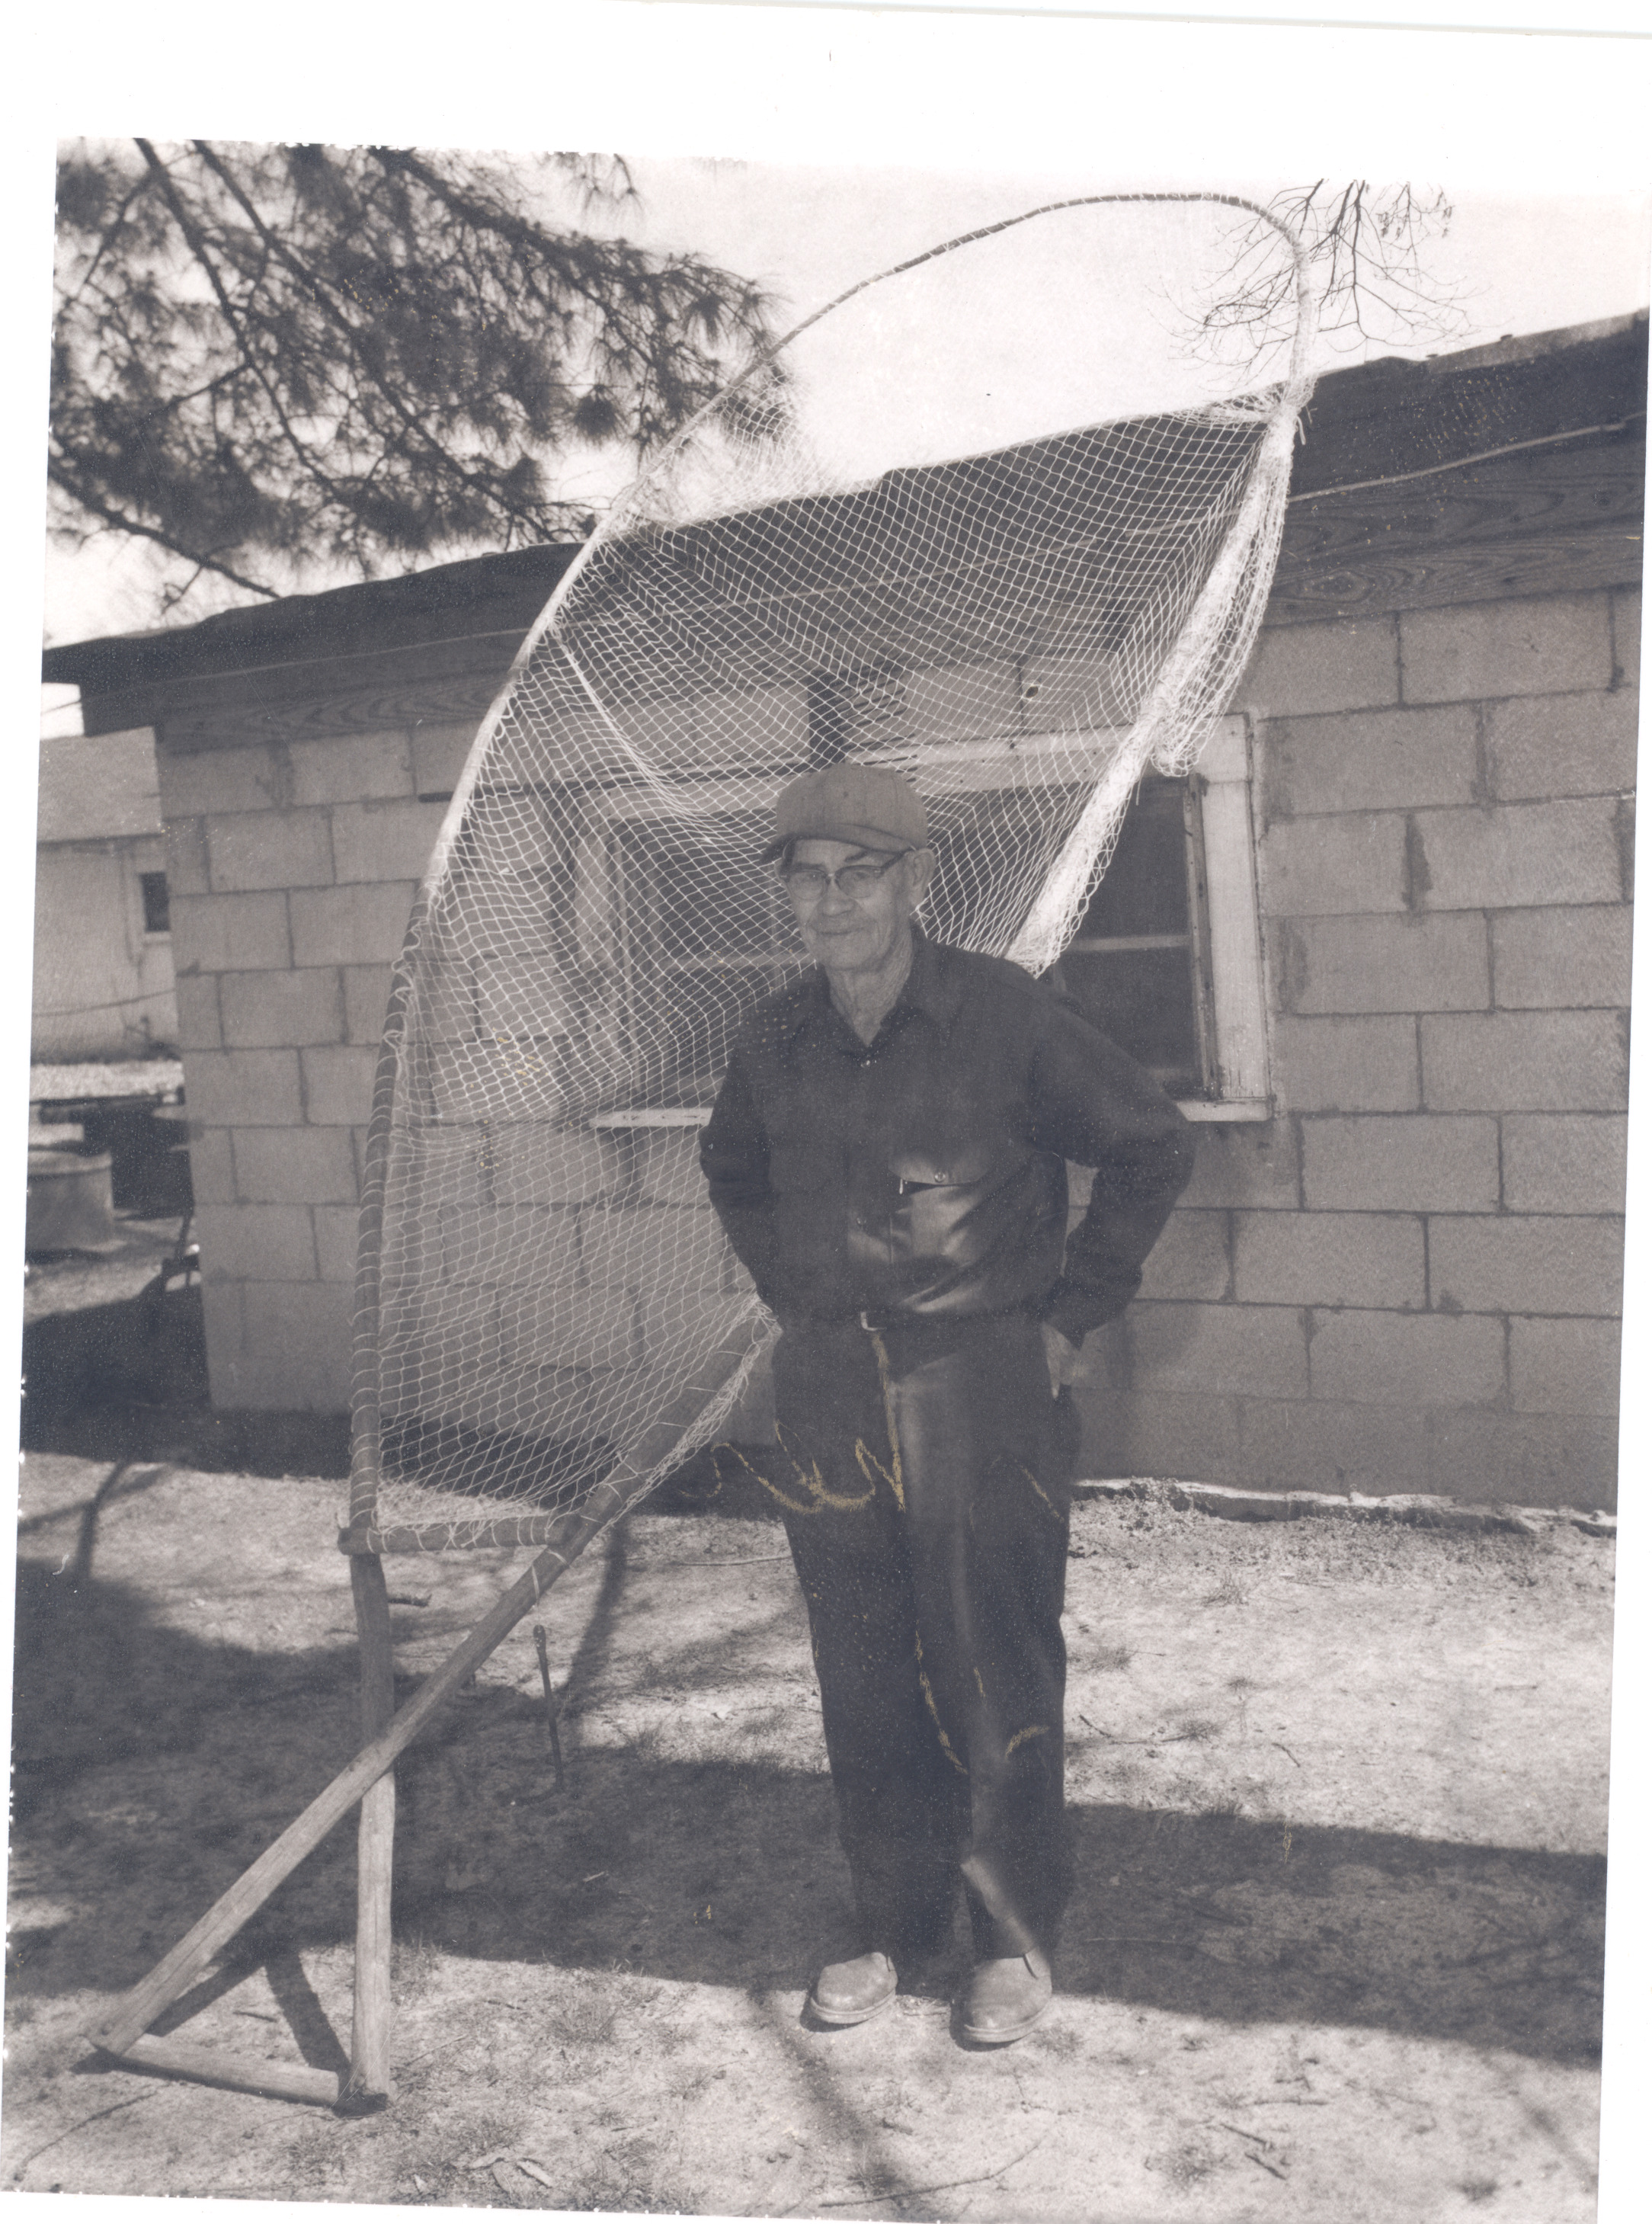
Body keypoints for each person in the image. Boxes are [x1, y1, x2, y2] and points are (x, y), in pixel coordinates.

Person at [699, 762, 1194, 2045]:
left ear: (912, 882)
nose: (831, 902)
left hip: (981, 1384)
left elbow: (1150, 1141)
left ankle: (1011, 1940)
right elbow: (732, 1169)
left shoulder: (1006, 1015)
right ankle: (895, 1921)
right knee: (862, 1662)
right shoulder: (773, 1037)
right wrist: (797, 1290)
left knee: (991, 1659)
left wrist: (1071, 1317)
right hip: (830, 1387)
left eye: (859, 873)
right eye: (805, 878)